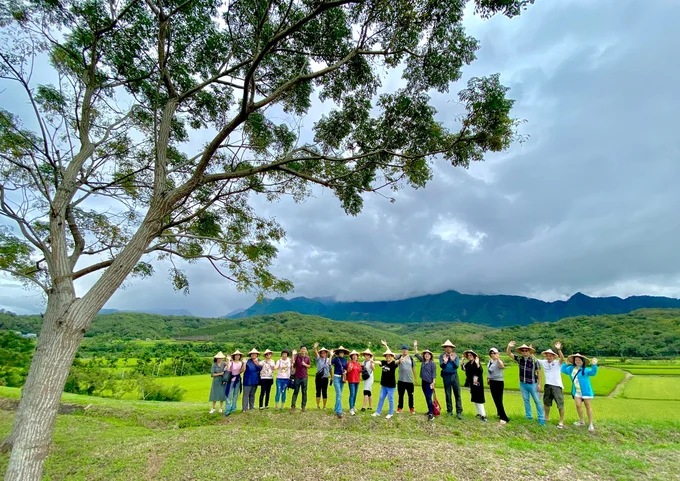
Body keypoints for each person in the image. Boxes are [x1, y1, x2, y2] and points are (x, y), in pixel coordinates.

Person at [506, 341, 545, 425]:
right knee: (526, 400)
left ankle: (541, 419)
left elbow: (539, 373)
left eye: (526, 350)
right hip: (523, 383)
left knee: (537, 401)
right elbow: (509, 354)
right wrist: (509, 347)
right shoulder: (519, 359)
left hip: (533, 384)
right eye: (523, 350)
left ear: (529, 351)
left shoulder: (535, 361)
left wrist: (540, 384)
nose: (524, 352)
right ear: (521, 352)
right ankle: (528, 417)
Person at [561, 353, 599, 432]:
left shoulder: (585, 370)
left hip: (586, 391)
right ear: (574, 361)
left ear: (582, 361)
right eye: (576, 360)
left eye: (579, 360)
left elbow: (593, 373)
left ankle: (590, 424)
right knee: (578, 405)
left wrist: (594, 365)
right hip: (576, 391)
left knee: (588, 406)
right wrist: (565, 364)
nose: (577, 361)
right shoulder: (571, 368)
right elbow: (563, 370)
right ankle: (581, 421)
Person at [381, 340, 416, 414]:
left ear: (408, 351)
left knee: (410, 395)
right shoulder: (399, 356)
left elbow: (413, 368)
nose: (404, 351)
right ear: (401, 351)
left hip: (409, 381)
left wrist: (415, 378)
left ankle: (411, 408)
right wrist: (386, 345)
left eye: (405, 350)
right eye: (403, 350)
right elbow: (390, 353)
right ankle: (400, 408)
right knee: (401, 395)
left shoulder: (411, 358)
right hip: (401, 380)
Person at [537, 342, 566, 428]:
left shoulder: (557, 363)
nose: (548, 357)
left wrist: (559, 349)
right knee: (546, 403)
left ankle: (561, 421)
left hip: (557, 386)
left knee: (560, 404)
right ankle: (546, 417)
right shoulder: (544, 362)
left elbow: (562, 359)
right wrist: (530, 350)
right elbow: (534, 358)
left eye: (550, 356)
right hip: (547, 385)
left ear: (554, 356)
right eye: (547, 356)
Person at [439, 339, 463, 419]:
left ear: (452, 348)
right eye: (446, 347)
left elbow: (456, 366)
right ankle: (449, 411)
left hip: (454, 375)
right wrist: (445, 362)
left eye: (449, 347)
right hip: (446, 376)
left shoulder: (455, 356)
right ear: (445, 348)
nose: (448, 349)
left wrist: (452, 360)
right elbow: (441, 366)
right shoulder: (442, 356)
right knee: (448, 394)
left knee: (457, 394)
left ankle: (459, 412)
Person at [371, 348, 398, 419]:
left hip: (391, 385)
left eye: (389, 356)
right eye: (387, 356)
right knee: (381, 398)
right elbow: (379, 362)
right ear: (385, 357)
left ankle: (390, 413)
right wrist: (373, 361)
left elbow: (397, 362)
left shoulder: (393, 363)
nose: (388, 357)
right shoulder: (383, 362)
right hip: (384, 385)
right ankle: (378, 412)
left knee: (390, 399)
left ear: (391, 357)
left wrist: (400, 360)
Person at [413, 341, 437, 421]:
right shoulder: (423, 361)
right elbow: (416, 354)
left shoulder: (432, 363)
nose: (427, 355)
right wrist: (415, 346)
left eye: (428, 354)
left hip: (429, 383)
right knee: (427, 397)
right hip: (423, 382)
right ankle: (429, 410)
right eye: (425, 354)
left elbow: (434, 374)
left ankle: (431, 414)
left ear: (430, 356)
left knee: (428, 397)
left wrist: (433, 382)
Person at [462, 350, 487, 422]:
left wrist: (477, 363)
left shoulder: (477, 363)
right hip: (472, 384)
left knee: (479, 399)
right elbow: (464, 369)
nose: (469, 356)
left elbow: (480, 371)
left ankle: (484, 415)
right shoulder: (468, 364)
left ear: (474, 356)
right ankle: (479, 413)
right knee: (475, 398)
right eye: (468, 355)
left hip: (477, 383)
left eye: (471, 355)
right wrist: (462, 361)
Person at [486, 347, 509, 424]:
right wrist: (488, 379)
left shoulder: (499, 361)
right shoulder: (490, 361)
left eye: (494, 353)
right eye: (491, 353)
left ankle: (504, 417)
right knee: (495, 399)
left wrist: (498, 359)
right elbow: (488, 371)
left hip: (498, 381)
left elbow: (502, 367)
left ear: (498, 354)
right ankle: (499, 413)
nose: (493, 355)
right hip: (492, 381)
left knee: (498, 400)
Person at [290, 345, 311, 413]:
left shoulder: (307, 357)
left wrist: (305, 364)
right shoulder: (297, 357)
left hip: (305, 377)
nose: (303, 350)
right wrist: (293, 354)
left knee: (304, 392)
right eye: (302, 349)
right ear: (300, 350)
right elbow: (292, 362)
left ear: (306, 351)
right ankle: (293, 407)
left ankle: (303, 407)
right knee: (296, 391)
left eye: (304, 349)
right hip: (297, 377)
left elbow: (309, 366)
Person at [224, 350, 245, 416]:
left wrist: (244, 363)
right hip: (231, 380)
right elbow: (227, 368)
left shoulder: (240, 363)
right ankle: (227, 409)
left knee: (235, 395)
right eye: (236, 355)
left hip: (237, 380)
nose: (237, 356)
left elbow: (242, 370)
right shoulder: (231, 362)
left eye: (238, 355)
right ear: (234, 356)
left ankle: (233, 408)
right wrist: (228, 360)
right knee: (229, 395)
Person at [330, 346, 349, 418]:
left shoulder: (345, 360)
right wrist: (331, 355)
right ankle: (339, 411)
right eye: (340, 352)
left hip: (342, 378)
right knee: (339, 394)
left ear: (344, 353)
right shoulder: (335, 359)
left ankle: (336, 407)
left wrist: (346, 371)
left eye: (343, 352)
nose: (342, 353)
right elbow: (329, 363)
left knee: (339, 394)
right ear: (338, 353)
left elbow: (346, 369)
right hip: (336, 378)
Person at [313, 343, 331, 409]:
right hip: (318, 378)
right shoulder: (318, 359)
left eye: (324, 353)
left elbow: (330, 368)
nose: (323, 354)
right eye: (322, 353)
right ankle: (317, 406)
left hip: (325, 378)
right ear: (320, 353)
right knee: (318, 391)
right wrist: (315, 348)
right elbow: (315, 352)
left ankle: (324, 406)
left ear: (326, 353)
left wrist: (332, 377)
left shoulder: (328, 360)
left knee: (324, 391)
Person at [346, 350, 362, 416]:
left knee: (355, 394)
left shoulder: (358, 364)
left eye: (356, 355)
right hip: (351, 380)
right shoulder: (350, 363)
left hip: (357, 381)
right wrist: (350, 368)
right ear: (351, 356)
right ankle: (351, 408)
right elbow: (348, 371)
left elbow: (360, 371)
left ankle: (353, 406)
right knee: (352, 394)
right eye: (353, 355)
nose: (355, 356)